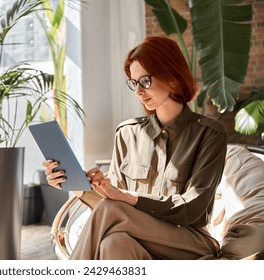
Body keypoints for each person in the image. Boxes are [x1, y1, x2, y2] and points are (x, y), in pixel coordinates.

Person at [42, 36, 227, 260]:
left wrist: (128, 198)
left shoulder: (209, 134)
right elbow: (111, 204)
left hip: (187, 240)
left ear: (173, 79)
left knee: (112, 211)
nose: (138, 91)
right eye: (134, 82)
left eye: (145, 81)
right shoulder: (127, 133)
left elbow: (192, 208)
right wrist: (78, 185)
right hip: (135, 237)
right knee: (113, 242)